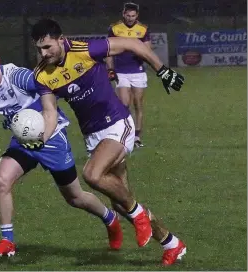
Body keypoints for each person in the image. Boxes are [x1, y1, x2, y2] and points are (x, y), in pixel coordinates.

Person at [30, 18, 186, 266]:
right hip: (94, 138)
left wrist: (161, 69)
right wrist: (40, 140)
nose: (43, 53)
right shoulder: (41, 75)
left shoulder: (85, 50)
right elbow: (49, 114)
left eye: (48, 47)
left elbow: (133, 44)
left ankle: (139, 217)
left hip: (117, 124)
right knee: (123, 202)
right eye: (39, 49)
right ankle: (172, 243)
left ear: (61, 39)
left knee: (92, 174)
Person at [0, 45, 125, 257]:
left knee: (74, 197)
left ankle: (109, 218)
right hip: (23, 142)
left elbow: (46, 86)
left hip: (52, 138)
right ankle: (7, 242)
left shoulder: (18, 77)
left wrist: (32, 117)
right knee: (2, 180)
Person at [106, 2, 150, 148]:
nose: (130, 18)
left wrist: (140, 53)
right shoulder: (115, 29)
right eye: (128, 15)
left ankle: (137, 137)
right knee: (124, 105)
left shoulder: (143, 29)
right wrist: (110, 69)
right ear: (123, 14)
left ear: (137, 15)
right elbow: (109, 50)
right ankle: (127, 134)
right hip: (121, 72)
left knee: (138, 105)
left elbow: (147, 50)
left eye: (133, 16)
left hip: (138, 72)